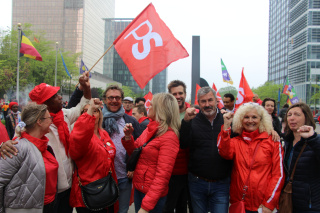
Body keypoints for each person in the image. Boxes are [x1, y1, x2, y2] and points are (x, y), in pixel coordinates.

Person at [0, 71, 91, 213]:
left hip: (68, 186)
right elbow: (14, 148)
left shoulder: (64, 116)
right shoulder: (27, 128)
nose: (60, 97)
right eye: (54, 96)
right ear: (44, 104)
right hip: (45, 193)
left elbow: (82, 106)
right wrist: (4, 145)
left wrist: (85, 87)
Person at [218, 103, 284, 213]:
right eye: (246, 117)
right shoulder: (235, 142)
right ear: (240, 120)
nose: (250, 121)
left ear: (261, 119)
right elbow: (224, 152)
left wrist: (269, 203)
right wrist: (226, 128)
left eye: (254, 117)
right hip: (240, 204)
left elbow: (278, 174)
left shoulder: (273, 142)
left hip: (263, 206)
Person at [122, 93, 181, 213]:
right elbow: (135, 152)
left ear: (161, 110)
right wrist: (128, 138)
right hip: (140, 188)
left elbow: (162, 177)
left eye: (152, 105)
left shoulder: (169, 137)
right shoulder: (151, 128)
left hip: (153, 197)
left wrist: (146, 207)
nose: (148, 107)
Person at [180, 86, 233, 213]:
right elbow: (183, 144)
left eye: (210, 100)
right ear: (198, 102)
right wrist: (186, 122)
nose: (207, 104)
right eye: (203, 101)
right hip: (197, 182)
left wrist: (270, 130)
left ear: (216, 100)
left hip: (221, 183)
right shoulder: (192, 120)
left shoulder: (227, 119)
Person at [0, 103, 59, 213]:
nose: (51, 121)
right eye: (49, 118)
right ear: (39, 122)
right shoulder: (17, 148)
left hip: (49, 205)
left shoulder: (45, 147)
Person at [69, 99, 118, 213]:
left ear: (100, 115)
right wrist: (90, 109)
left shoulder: (103, 133)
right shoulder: (81, 136)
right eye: (85, 111)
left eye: (94, 111)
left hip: (106, 188)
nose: (90, 113)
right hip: (89, 192)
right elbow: (80, 137)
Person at [102, 85, 141, 213]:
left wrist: (133, 167)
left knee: (122, 210)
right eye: (111, 97)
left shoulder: (130, 121)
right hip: (103, 176)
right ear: (105, 99)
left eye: (117, 97)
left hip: (124, 176)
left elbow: (138, 147)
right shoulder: (98, 119)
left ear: (122, 100)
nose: (114, 100)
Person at [283, 102, 320, 212]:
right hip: (290, 201)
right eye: (289, 115)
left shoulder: (314, 140)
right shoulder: (287, 142)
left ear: (306, 117)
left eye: (297, 115)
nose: (292, 118)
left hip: (310, 204)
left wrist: (312, 138)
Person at [163, 80, 191, 213]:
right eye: (174, 94)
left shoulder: (193, 113)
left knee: (182, 207)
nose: (178, 96)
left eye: (180, 93)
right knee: (167, 207)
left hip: (188, 170)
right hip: (168, 171)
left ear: (185, 94)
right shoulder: (164, 115)